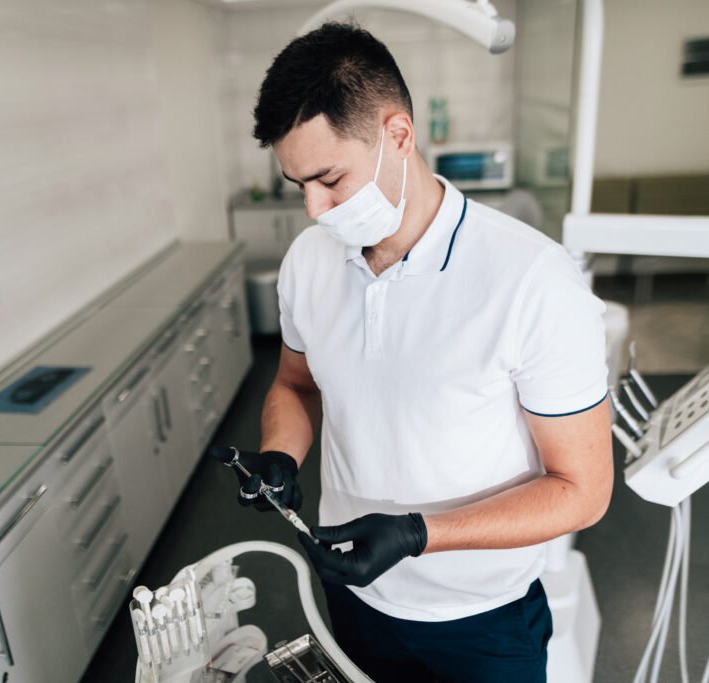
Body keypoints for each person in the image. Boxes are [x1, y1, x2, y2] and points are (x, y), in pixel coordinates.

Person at [218, 22, 613, 682]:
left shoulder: (531, 279)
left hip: (484, 620)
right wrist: (282, 454)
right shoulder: (309, 263)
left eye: (329, 178)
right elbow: (295, 383)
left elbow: (582, 490)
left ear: (398, 135)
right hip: (354, 592)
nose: (314, 209)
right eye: (297, 185)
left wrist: (416, 534)